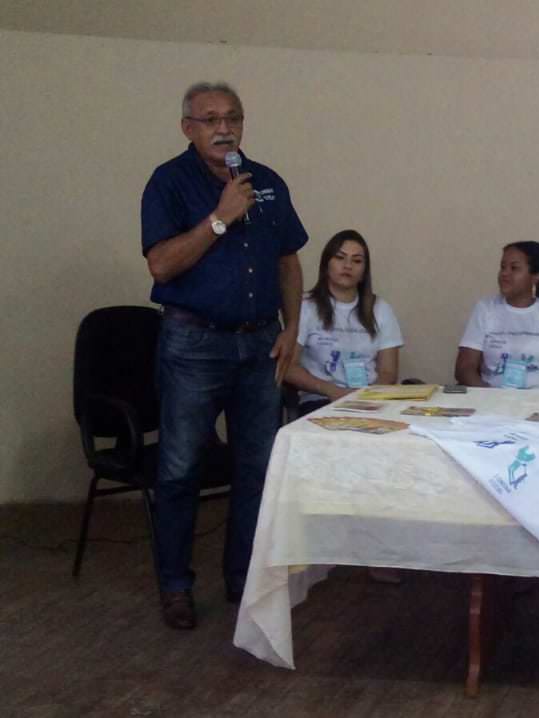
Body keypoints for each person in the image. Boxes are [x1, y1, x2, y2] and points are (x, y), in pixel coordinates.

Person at [141, 81, 307, 629]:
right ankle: (175, 586)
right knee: (180, 468)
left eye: (232, 118)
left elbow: (288, 260)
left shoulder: (268, 182)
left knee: (257, 468)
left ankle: (243, 578)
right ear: (187, 128)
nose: (224, 128)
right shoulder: (168, 182)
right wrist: (219, 218)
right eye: (210, 119)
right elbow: (162, 265)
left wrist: (292, 327)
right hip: (194, 345)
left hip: (260, 343)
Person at [286, 230, 403, 416]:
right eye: (340, 258)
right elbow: (289, 368)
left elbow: (388, 372)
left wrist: (365, 396)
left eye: (357, 261)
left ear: (364, 272)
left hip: (369, 400)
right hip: (320, 399)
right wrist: (332, 391)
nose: (348, 266)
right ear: (326, 265)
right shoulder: (305, 306)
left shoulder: (380, 309)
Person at [455, 242, 539, 391]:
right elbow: (465, 368)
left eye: (514, 268)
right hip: (494, 398)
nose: (504, 273)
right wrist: (490, 397)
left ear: (536, 276)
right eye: (503, 267)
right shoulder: (485, 309)